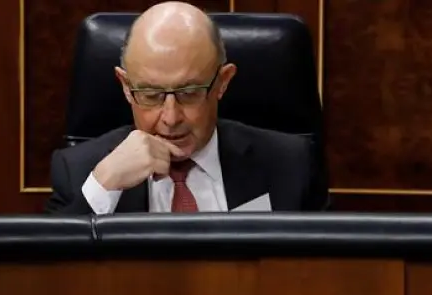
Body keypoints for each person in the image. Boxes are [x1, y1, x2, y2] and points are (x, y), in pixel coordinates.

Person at [44, 1, 328, 215]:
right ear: (126, 87)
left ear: (222, 82)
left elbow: (325, 270)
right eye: (151, 95)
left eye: (189, 93)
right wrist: (104, 185)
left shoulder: (291, 166)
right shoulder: (78, 171)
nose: (171, 118)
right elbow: (47, 269)